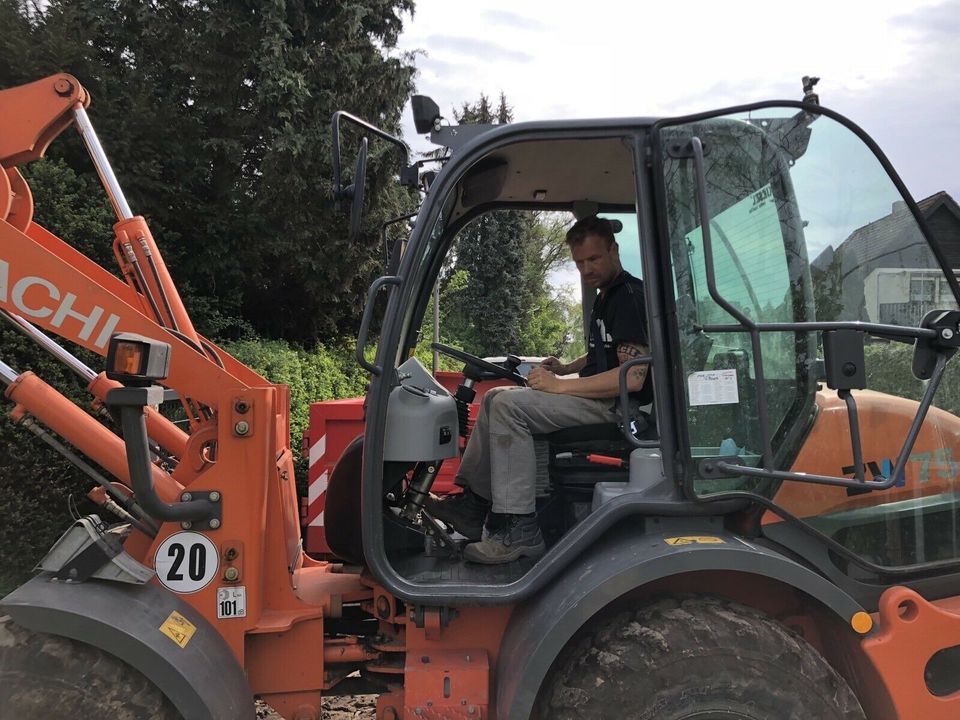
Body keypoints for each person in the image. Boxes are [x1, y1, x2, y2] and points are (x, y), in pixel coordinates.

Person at [428, 215, 651, 564]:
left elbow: (633, 377)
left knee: (509, 407)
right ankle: (475, 504)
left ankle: (520, 530)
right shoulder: (608, 296)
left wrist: (560, 386)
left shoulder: (629, 297)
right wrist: (566, 368)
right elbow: (604, 353)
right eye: (579, 263)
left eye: (594, 259)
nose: (587, 269)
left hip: (619, 408)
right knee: (495, 398)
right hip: (601, 398)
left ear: (614, 250)